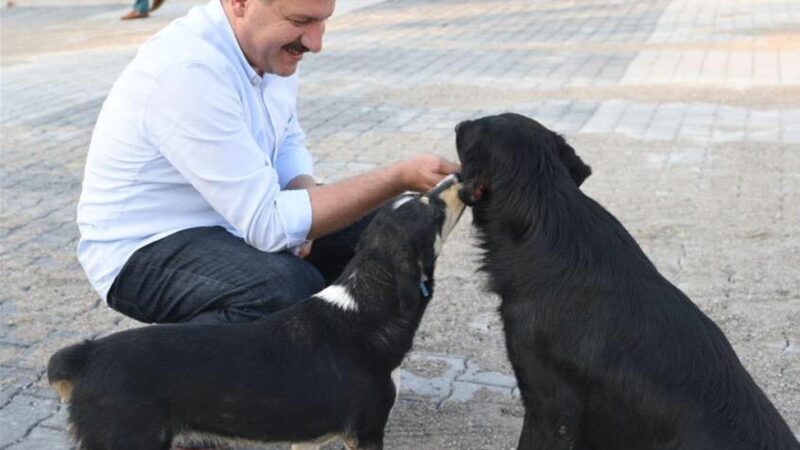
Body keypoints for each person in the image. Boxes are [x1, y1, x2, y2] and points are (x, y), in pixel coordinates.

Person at [78, 0, 460, 327]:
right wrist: (398, 177)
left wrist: (304, 192)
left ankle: (329, 358)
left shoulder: (268, 50)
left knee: (388, 227)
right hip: (144, 247)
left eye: (323, 19)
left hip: (230, 218)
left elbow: (287, 137)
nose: (316, 43)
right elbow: (268, 226)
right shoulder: (188, 70)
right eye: (300, 21)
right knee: (283, 290)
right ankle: (151, 381)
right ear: (240, 3)